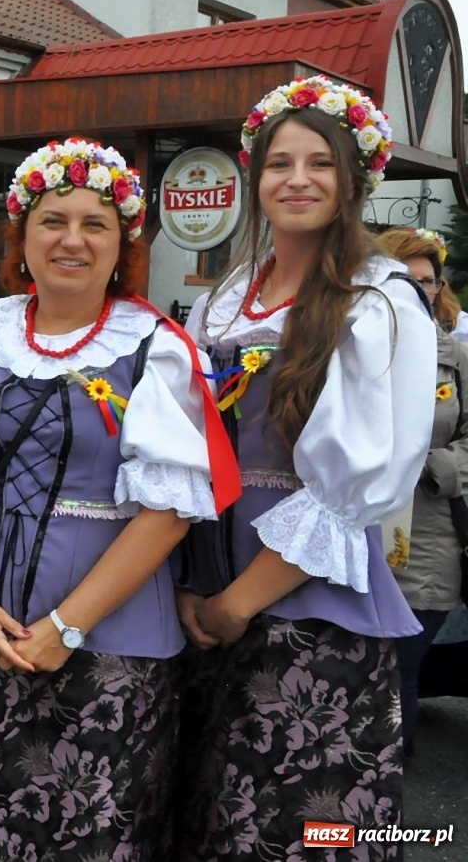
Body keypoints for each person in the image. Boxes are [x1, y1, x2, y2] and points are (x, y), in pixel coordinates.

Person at [0, 139, 232, 859]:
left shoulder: (156, 347)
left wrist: (67, 626)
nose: (72, 239)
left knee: (88, 833)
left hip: (110, 643)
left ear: (123, 246)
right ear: (21, 236)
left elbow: (169, 509)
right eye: (52, 220)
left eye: (95, 224)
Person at [173, 76, 434, 860]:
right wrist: (193, 584)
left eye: (319, 162)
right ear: (254, 178)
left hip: (304, 599)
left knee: (297, 825)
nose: (296, 179)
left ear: (352, 179)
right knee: (213, 811)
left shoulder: (377, 299)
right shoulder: (223, 297)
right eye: (279, 161)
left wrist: (236, 604)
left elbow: (356, 485)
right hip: (206, 585)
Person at [375, 227, 468, 756]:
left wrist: (430, 463)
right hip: (356, 530)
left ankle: (384, 805)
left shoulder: (454, 355)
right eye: (403, 280)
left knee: (399, 672)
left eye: (427, 281)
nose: (417, 291)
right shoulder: (351, 345)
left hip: (426, 536)